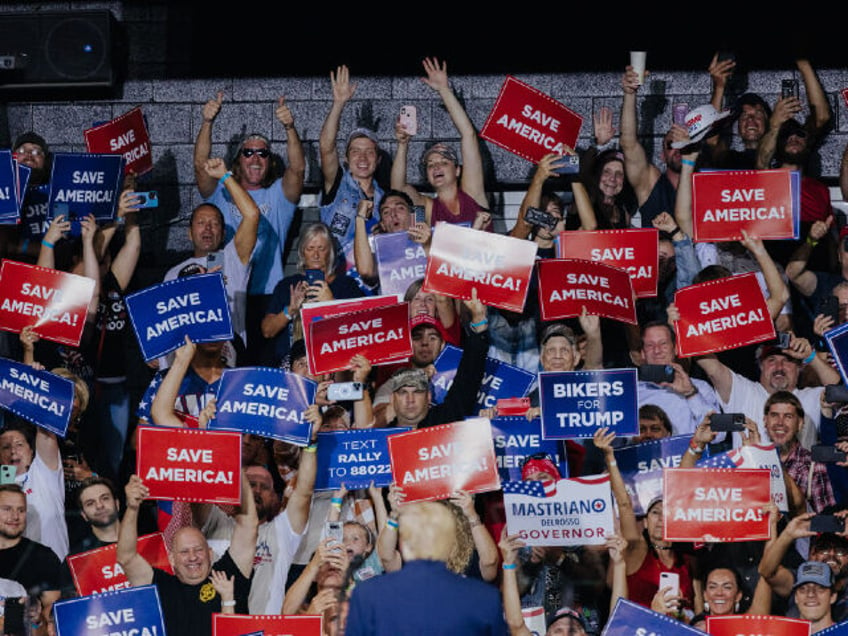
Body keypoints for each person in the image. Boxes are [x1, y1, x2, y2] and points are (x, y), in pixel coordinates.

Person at [193, 92, 305, 364]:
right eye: (248, 152)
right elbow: (199, 166)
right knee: (229, 364)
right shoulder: (222, 190)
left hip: (267, 294)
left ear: (269, 161)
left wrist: (290, 128)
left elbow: (298, 169)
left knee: (267, 363)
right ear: (238, 160)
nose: (256, 158)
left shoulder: (278, 196)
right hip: (228, 292)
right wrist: (207, 122)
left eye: (263, 153)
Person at [117, 472, 258, 636]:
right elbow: (126, 558)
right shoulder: (161, 586)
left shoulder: (227, 576)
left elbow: (249, 525)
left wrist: (235, 464)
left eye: (198, 550)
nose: (192, 557)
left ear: (210, 553)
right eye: (184, 552)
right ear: (172, 559)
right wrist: (133, 508)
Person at [345, 501, 507, 635]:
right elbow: (386, 555)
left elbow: (490, 562)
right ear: (449, 543)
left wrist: (394, 516)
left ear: (403, 543)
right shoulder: (485, 598)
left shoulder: (367, 594)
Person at [165, 158, 260, 352]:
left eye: (214, 223)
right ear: (190, 233)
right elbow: (166, 323)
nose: (208, 228)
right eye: (201, 223)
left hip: (229, 353)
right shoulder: (173, 274)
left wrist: (225, 177)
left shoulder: (233, 257)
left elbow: (251, 215)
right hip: (190, 358)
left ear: (223, 233)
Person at [392, 58, 491, 230]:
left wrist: (444, 90)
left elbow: (468, 135)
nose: (436, 167)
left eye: (444, 162)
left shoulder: (472, 194)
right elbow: (398, 188)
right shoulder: (428, 208)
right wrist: (402, 145)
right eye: (430, 164)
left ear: (458, 170)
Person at [261, 221, 364, 366]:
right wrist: (290, 310)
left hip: (334, 364)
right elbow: (267, 331)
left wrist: (332, 304)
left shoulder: (346, 285)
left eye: (321, 248)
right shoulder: (287, 286)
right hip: (291, 366)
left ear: (330, 251)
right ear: (302, 251)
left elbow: (362, 329)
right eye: (310, 248)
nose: (316, 255)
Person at [319, 65, 384, 263]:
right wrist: (338, 103)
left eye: (369, 152)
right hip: (337, 279)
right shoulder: (337, 184)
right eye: (355, 151)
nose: (362, 158)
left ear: (378, 159)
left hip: (372, 282)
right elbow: (326, 147)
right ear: (346, 158)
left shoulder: (386, 198)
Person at [619, 65, 681, 228]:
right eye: (672, 144)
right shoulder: (652, 183)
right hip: (657, 253)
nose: (678, 149)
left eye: (683, 143)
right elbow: (629, 144)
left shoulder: (701, 184)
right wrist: (630, 94)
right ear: (663, 155)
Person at [634, 322, 721, 436]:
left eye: (663, 343)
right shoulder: (630, 392)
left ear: (675, 349)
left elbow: (719, 434)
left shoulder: (700, 387)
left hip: (689, 453)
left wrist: (690, 393)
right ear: (643, 354)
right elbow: (616, 441)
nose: (657, 351)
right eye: (650, 345)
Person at [0, 484, 60, 635]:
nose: (15, 516)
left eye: (21, 510)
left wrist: (37, 619)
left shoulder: (43, 556)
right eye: (7, 509)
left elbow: (53, 619)